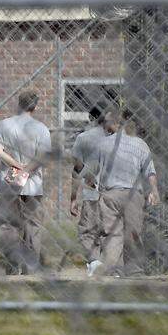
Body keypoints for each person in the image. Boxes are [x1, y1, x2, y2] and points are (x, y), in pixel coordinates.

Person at [82, 107, 160, 277]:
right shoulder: (140, 144)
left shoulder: (101, 144)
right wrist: (154, 191)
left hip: (110, 194)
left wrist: (93, 185)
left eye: (108, 121)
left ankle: (113, 270)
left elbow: (89, 174)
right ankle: (134, 271)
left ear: (116, 124)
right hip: (134, 194)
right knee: (133, 233)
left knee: (111, 233)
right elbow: (150, 172)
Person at [0, 91, 53, 275]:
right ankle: (31, 266)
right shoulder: (41, 128)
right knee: (32, 225)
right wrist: (27, 169)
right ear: (35, 106)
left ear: (18, 104)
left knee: (9, 225)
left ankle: (12, 264)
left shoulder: (4, 125)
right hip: (33, 184)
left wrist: (17, 166)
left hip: (7, 181)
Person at [70, 106, 107, 276]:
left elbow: (77, 168)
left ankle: (94, 261)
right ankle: (110, 263)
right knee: (110, 229)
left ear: (90, 118)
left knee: (87, 230)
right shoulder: (114, 137)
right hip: (112, 191)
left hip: (91, 191)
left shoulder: (83, 138)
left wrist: (73, 198)